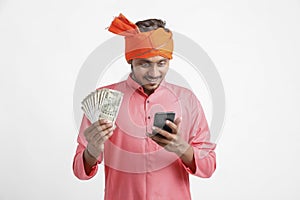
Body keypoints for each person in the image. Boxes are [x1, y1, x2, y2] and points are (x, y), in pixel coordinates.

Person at [73, 13, 216, 200]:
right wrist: (92, 150)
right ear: (131, 61)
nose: (154, 73)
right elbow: (79, 171)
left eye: (161, 63)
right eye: (145, 64)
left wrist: (181, 148)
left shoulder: (187, 100)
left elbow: (209, 167)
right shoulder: (104, 100)